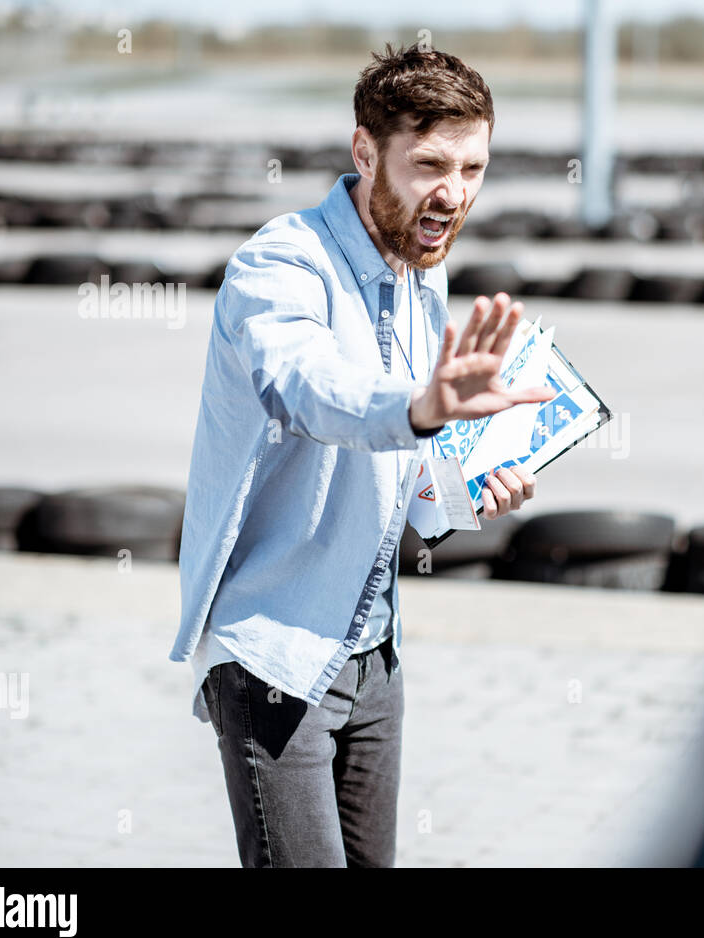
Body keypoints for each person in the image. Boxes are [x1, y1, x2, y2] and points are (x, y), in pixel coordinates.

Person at [168, 42, 555, 867]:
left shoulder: (425, 274)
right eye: (430, 165)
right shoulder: (279, 266)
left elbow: (403, 487)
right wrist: (421, 407)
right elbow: (308, 389)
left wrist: (465, 490)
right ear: (363, 150)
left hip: (375, 652)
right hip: (276, 651)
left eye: (474, 168)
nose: (454, 194)